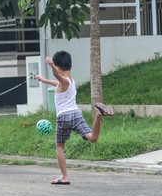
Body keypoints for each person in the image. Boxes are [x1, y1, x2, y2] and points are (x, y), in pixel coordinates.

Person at [36, 51, 114, 185]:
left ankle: (64, 176)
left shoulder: (63, 80)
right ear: (70, 66)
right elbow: (58, 83)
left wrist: (51, 66)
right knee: (92, 138)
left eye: (56, 67)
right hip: (76, 114)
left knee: (60, 146)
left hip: (64, 117)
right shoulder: (70, 81)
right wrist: (44, 80)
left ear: (58, 67)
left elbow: (57, 76)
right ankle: (98, 115)